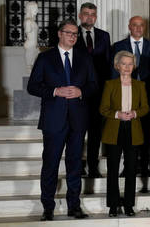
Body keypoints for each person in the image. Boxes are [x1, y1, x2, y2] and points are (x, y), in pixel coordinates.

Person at [27, 19, 97, 221]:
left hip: (78, 120)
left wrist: (81, 91)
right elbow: (33, 86)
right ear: (59, 34)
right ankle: (47, 207)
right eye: (69, 33)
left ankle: (74, 206)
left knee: (75, 164)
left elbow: (94, 85)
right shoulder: (45, 58)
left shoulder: (85, 58)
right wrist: (55, 91)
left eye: (75, 34)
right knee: (50, 164)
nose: (73, 37)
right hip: (53, 120)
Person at [113, 16, 150, 191]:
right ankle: (128, 166)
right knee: (127, 133)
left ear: (145, 28)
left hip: (147, 97)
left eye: (141, 25)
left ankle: (144, 165)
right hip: (126, 95)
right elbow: (114, 73)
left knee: (146, 133)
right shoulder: (119, 46)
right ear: (129, 27)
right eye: (135, 25)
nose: (138, 28)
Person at [100, 50, 149, 217]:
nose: (127, 67)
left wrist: (134, 113)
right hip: (114, 130)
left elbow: (145, 108)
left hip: (133, 130)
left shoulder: (140, 85)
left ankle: (129, 205)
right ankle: (113, 205)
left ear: (134, 66)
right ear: (117, 66)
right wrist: (117, 114)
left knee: (131, 169)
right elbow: (103, 108)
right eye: (123, 64)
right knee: (113, 168)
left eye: (130, 64)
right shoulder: (110, 85)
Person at [74, 2, 112, 178]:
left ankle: (93, 166)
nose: (89, 17)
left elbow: (108, 63)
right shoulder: (72, 34)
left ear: (96, 17)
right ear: (80, 15)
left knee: (96, 131)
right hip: (78, 91)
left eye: (93, 14)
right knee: (78, 130)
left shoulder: (104, 36)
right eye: (86, 14)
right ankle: (78, 165)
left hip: (98, 91)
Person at [23, 1, 39, 73]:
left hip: (34, 45)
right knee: (29, 67)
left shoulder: (32, 21)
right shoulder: (28, 21)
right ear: (30, 9)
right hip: (30, 45)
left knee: (34, 65)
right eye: (35, 8)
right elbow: (27, 33)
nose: (37, 10)